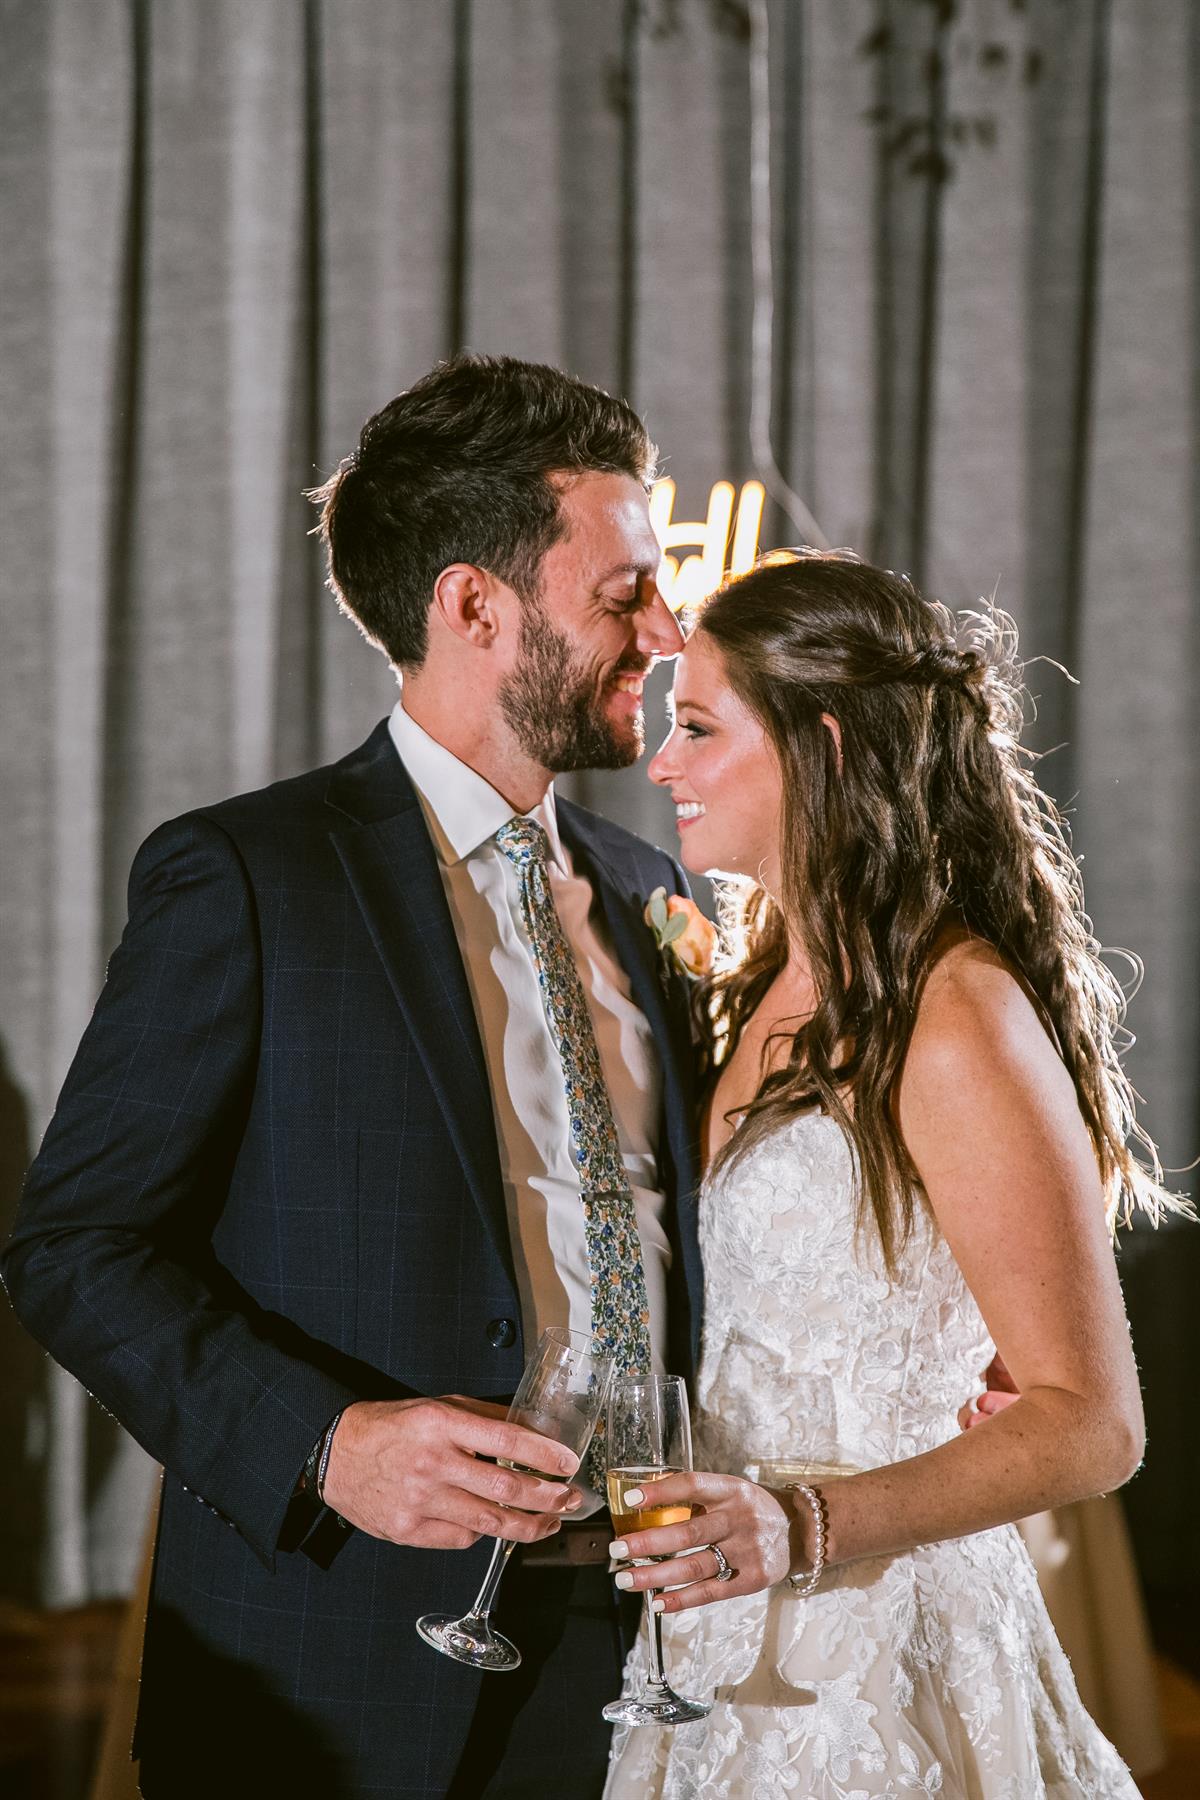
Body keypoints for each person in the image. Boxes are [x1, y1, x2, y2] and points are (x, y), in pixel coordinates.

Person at [2, 354, 704, 1799]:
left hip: (645, 1645)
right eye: (626, 592)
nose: (668, 631)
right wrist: (321, 1444)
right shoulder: (251, 876)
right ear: (473, 607)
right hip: (335, 1652)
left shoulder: (651, 890)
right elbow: (74, 1247)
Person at [602, 549, 1181, 1798]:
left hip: (883, 1640)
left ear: (819, 743)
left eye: (697, 727)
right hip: (717, 1631)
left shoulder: (954, 1013)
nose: (661, 766)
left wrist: (802, 1527)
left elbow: (1096, 1425)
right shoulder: (762, 984)